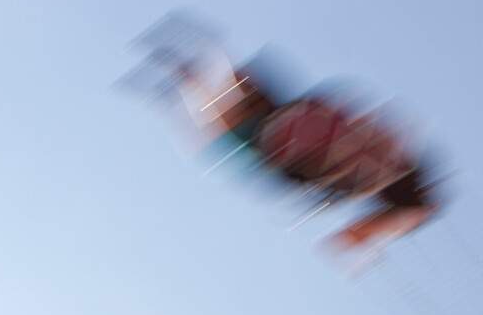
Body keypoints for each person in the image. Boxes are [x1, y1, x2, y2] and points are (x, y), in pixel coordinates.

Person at [127, 22, 443, 257]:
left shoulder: (390, 157)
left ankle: (189, 74)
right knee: (227, 119)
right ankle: (188, 77)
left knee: (233, 111)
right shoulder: (380, 173)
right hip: (284, 137)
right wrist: (366, 238)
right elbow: (354, 234)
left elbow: (371, 118)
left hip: (291, 125)